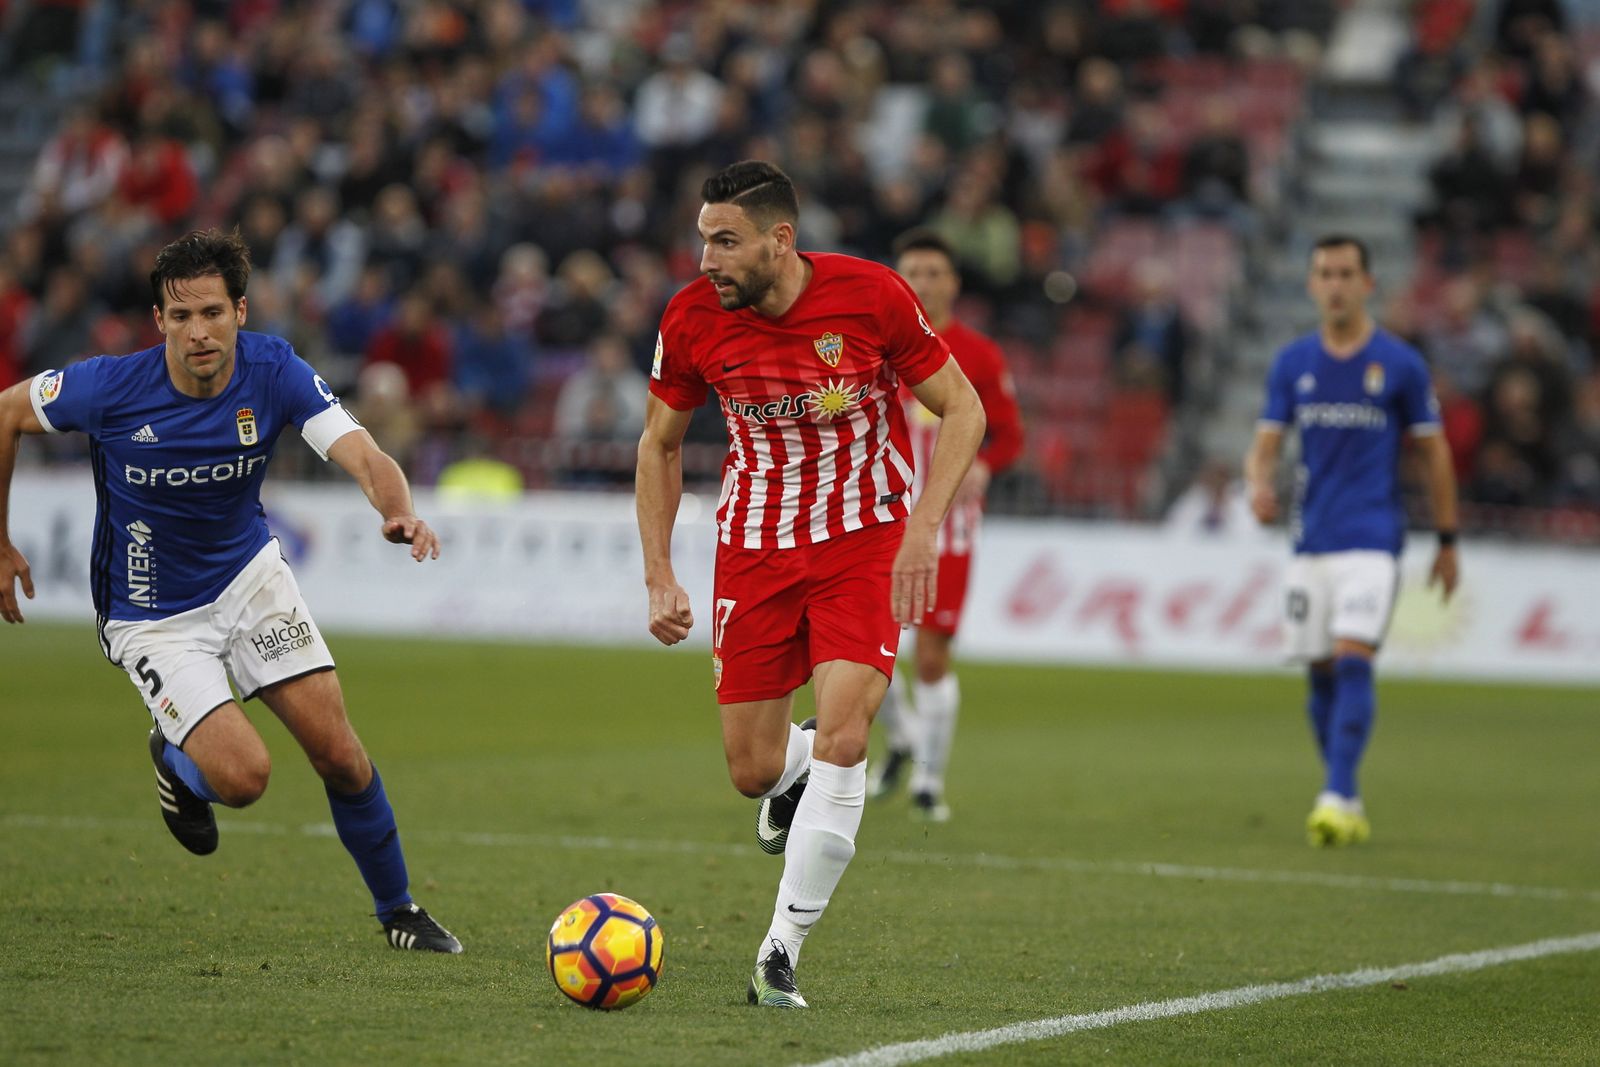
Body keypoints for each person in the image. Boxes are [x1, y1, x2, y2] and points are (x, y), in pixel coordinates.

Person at [0, 229, 461, 952]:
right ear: (158, 321)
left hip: (249, 579)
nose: (198, 332)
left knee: (339, 752)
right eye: (180, 316)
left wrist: (396, 508)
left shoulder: (275, 370)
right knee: (245, 777)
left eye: (212, 312)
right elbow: (6, 411)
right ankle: (174, 759)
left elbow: (364, 452)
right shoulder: (110, 386)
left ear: (240, 311)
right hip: (151, 613)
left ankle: (398, 909)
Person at [636, 161, 985, 1008]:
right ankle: (786, 780)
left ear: (779, 240)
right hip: (754, 548)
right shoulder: (689, 319)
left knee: (845, 735)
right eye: (702, 241)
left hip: (863, 541)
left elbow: (963, 409)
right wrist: (659, 574)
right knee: (753, 769)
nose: (708, 259)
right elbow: (660, 444)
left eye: (726, 242)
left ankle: (779, 950)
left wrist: (921, 530)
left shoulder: (871, 298)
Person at [1244, 234, 1460, 848]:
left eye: (1345, 273)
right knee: (1319, 673)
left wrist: (1447, 539)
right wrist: (1258, 487)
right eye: (1324, 274)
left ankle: (1335, 794)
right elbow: (1263, 447)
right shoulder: (1292, 363)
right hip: (1310, 541)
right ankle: (1345, 789)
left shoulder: (1400, 365)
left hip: (1372, 538)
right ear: (1311, 285)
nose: (1334, 285)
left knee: (1352, 656)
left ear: (1368, 284)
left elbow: (1434, 453)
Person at [868, 229, 1023, 821]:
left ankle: (928, 780)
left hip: (947, 527)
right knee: (856, 647)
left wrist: (985, 462)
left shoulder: (978, 355)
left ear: (954, 282)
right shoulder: (874, 345)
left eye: (935, 272)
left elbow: (1010, 435)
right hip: (874, 517)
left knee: (929, 655)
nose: (924, 283)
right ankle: (904, 737)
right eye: (913, 271)